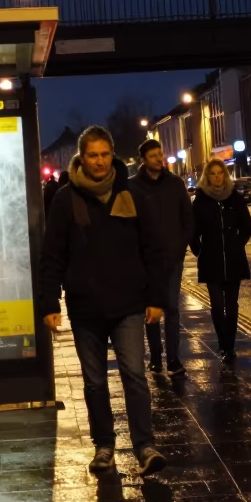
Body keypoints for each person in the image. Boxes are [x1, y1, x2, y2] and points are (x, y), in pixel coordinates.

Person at [38, 125, 168, 476]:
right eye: (93, 155)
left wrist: (155, 298)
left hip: (128, 303)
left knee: (135, 375)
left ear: (113, 155)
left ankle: (144, 445)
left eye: (105, 154)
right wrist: (51, 304)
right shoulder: (66, 199)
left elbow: (152, 249)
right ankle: (104, 446)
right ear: (82, 157)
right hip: (85, 308)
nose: (99, 161)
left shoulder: (131, 193)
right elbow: (53, 256)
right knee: (94, 382)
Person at [128, 138, 194, 377]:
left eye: (160, 153)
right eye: (153, 155)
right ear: (143, 160)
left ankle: (174, 359)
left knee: (172, 307)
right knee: (151, 308)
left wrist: (180, 245)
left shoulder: (175, 184)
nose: (159, 158)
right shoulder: (133, 187)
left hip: (172, 256)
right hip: (145, 259)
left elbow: (188, 218)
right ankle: (155, 357)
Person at [190, 158, 251, 362]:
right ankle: (222, 343)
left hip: (233, 260)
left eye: (220, 173)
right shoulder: (201, 200)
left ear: (225, 176)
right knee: (217, 305)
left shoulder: (234, 198)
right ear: (207, 176)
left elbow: (246, 226)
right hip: (211, 260)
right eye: (213, 173)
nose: (217, 177)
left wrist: (237, 243)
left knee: (232, 305)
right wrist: (199, 250)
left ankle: (230, 346)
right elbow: (192, 230)